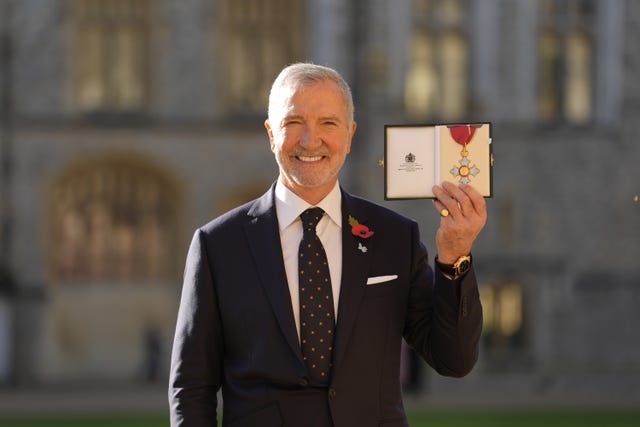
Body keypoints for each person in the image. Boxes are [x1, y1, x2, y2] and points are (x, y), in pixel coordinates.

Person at [169, 63, 486, 427]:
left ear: (350, 136)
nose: (310, 140)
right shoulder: (218, 245)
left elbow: (455, 360)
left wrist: (454, 257)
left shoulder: (394, 237)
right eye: (293, 123)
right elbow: (192, 388)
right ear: (271, 134)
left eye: (328, 123)